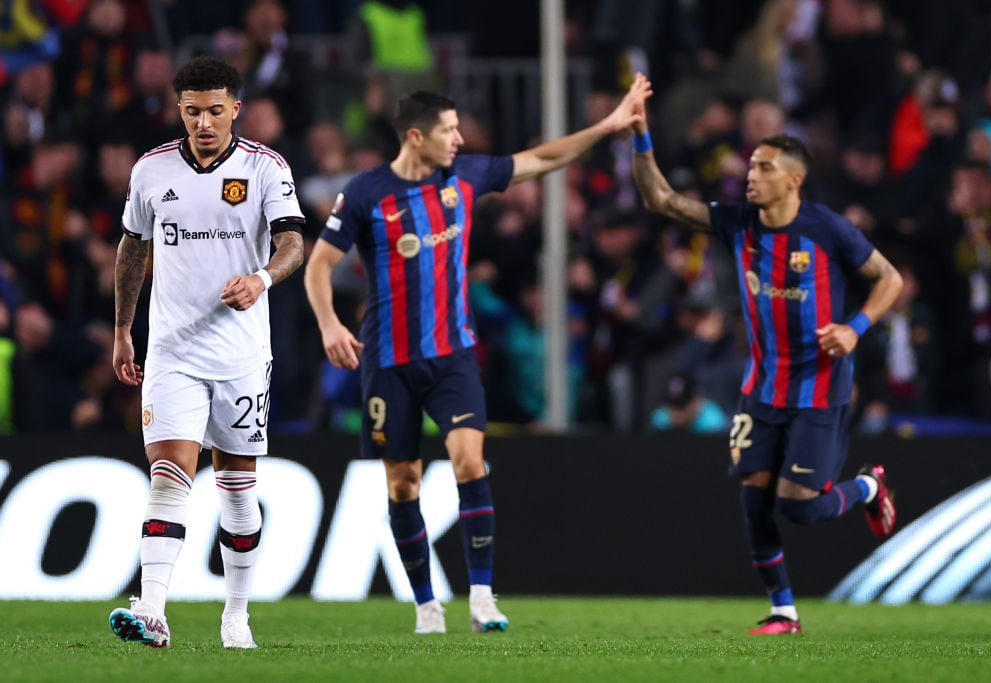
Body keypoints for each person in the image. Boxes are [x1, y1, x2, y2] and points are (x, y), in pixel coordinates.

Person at [304, 75, 652, 634]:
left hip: (454, 356)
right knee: (403, 484)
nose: (459, 139)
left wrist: (610, 126)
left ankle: (483, 597)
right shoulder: (367, 192)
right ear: (416, 137)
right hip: (389, 362)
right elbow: (320, 264)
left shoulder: (465, 177)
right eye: (449, 131)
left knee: (469, 461)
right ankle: (425, 605)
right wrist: (328, 325)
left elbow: (542, 159)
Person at [630, 75, 902, 635]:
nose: (751, 175)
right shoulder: (736, 224)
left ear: (794, 180)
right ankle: (784, 612)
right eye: (751, 166)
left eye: (764, 168)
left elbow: (889, 279)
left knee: (799, 506)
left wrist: (855, 328)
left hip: (819, 388)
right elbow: (658, 199)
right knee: (754, 501)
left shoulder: (827, 230)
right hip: (762, 388)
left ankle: (869, 487)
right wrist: (640, 136)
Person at [107, 55, 305, 649]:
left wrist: (262, 280)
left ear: (235, 109)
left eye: (216, 110)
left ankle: (236, 615)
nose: (204, 123)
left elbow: (293, 241)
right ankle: (153, 610)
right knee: (168, 478)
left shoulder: (266, 168)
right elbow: (132, 249)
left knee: (238, 491)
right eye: (192, 111)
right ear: (180, 110)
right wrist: (123, 328)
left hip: (242, 355)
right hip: (172, 351)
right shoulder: (150, 171)